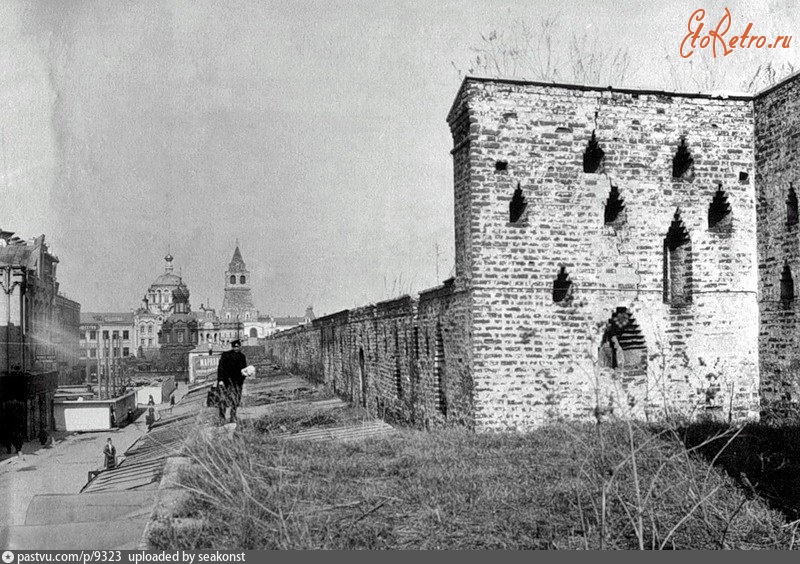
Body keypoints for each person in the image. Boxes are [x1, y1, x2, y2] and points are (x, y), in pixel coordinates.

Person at [217, 339, 248, 423]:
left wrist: (243, 377)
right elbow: (220, 368)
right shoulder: (226, 355)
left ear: (240, 347)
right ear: (232, 347)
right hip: (226, 382)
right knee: (223, 400)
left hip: (237, 382)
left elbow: (244, 369)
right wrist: (220, 380)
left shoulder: (242, 357)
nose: (236, 348)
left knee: (236, 400)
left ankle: (233, 416)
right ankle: (222, 418)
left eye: (238, 347)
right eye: (235, 347)